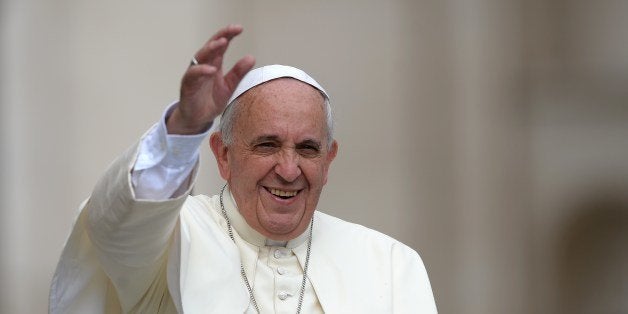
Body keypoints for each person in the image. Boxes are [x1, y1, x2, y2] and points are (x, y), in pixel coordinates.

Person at [49, 25, 437, 313]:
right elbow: (118, 224)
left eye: (307, 148)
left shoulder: (390, 262)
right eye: (266, 145)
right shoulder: (172, 238)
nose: (288, 170)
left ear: (328, 159)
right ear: (223, 154)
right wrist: (184, 130)